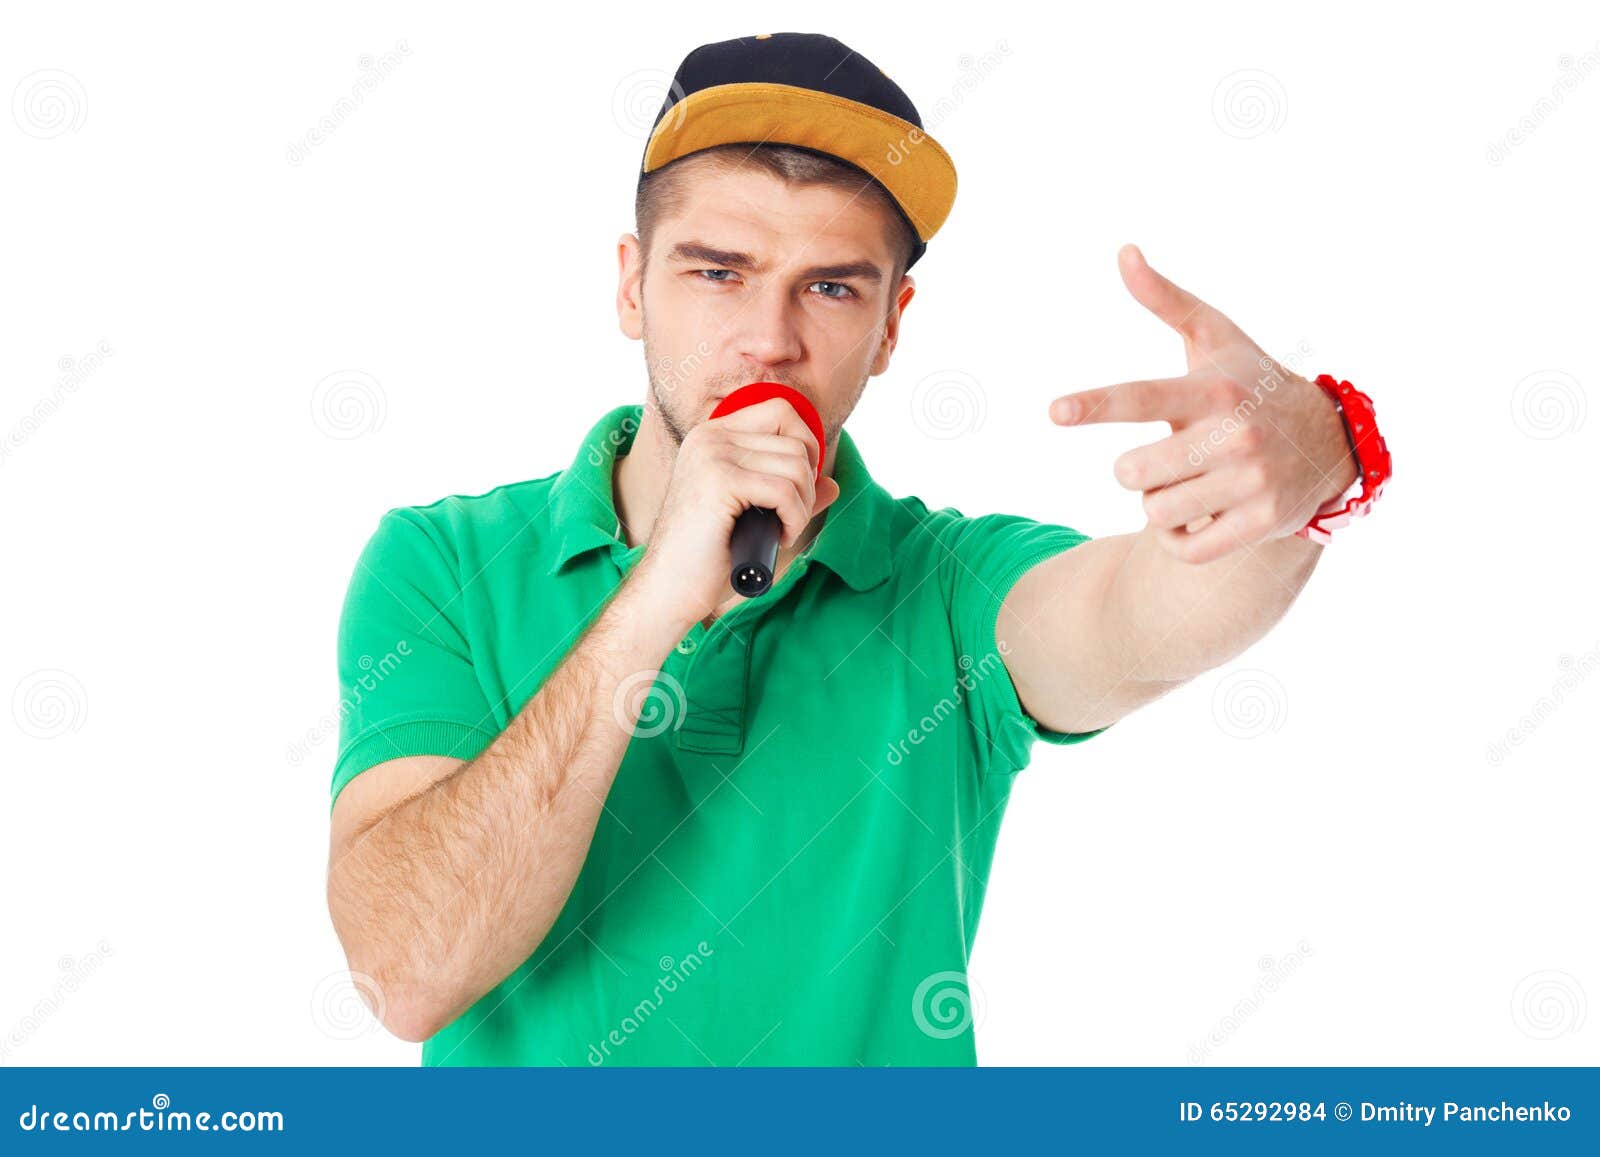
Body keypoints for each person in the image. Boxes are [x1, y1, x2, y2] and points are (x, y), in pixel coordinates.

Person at [324, 32, 1382, 1066]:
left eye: (830, 287)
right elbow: (408, 971)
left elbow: (1151, 611)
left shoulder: (953, 587)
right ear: (630, 286)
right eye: (718, 273)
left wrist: (1307, 470)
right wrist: (653, 600)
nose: (770, 338)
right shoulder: (439, 561)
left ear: (889, 325)